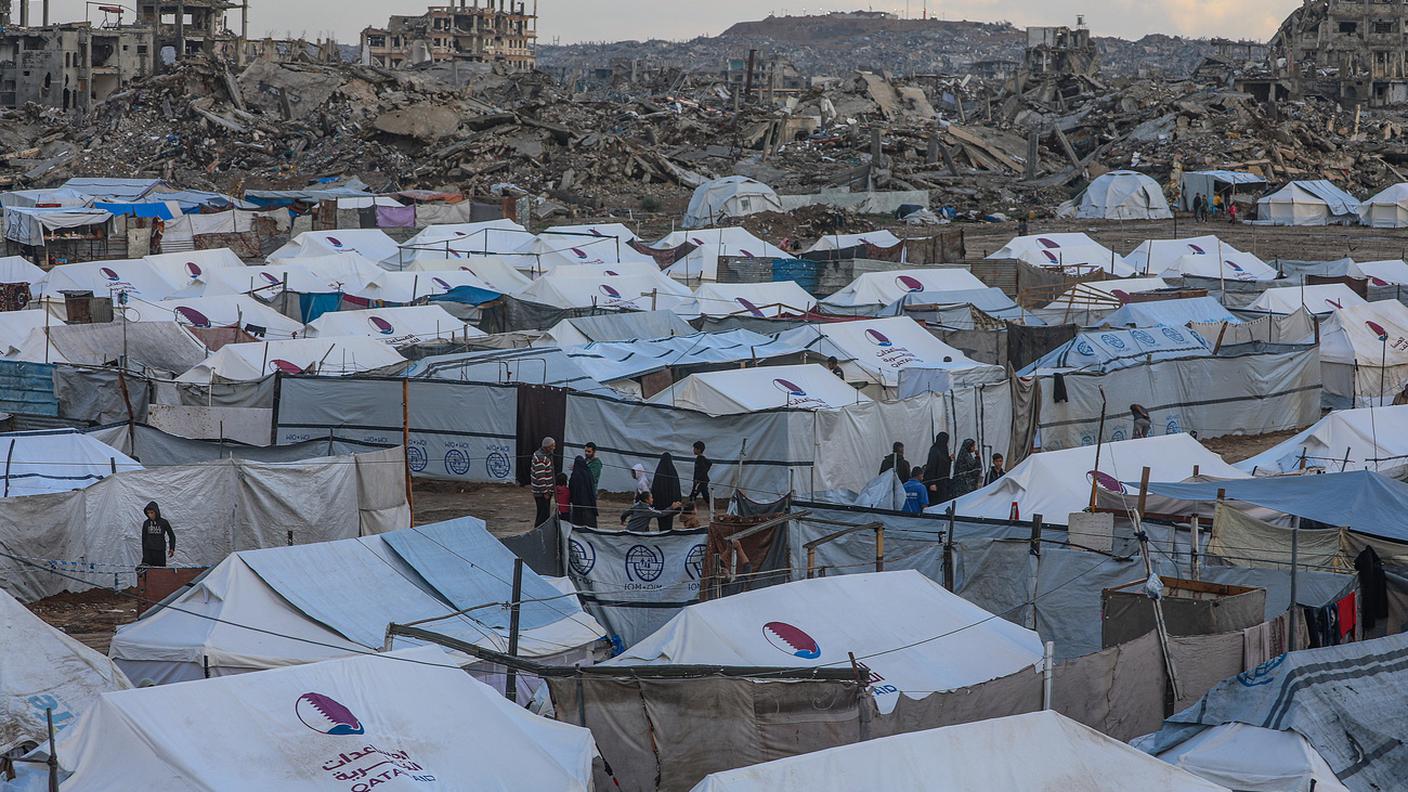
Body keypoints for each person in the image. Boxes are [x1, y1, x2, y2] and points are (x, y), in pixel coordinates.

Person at [651, 453, 683, 531]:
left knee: (661, 522)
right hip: (670, 504)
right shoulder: (673, 473)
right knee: (668, 523)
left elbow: (654, 488)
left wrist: (653, 502)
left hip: (660, 505)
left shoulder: (658, 473)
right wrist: (677, 501)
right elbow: (676, 488)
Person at [530, 437, 557, 527]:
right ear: (547, 447)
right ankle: (538, 532)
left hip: (543, 492)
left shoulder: (544, 456)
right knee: (543, 515)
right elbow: (540, 477)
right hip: (541, 493)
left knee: (542, 513)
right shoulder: (541, 458)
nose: (554, 448)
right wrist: (545, 492)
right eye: (552, 446)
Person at [139, 501, 175, 568]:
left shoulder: (163, 522)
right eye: (148, 513)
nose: (150, 515)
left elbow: (171, 535)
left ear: (156, 512)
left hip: (160, 551)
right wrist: (144, 553)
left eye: (152, 513)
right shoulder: (146, 523)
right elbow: (143, 538)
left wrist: (172, 548)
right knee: (146, 571)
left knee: (160, 572)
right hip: (148, 552)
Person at [567, 455, 598, 527]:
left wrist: (571, 498)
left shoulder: (575, 475)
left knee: (578, 522)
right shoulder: (588, 472)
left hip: (578, 502)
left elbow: (571, 487)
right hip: (589, 501)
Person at [922, 432, 952, 501]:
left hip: (943, 482)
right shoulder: (934, 450)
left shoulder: (944, 449)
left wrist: (949, 459)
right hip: (935, 482)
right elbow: (931, 467)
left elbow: (943, 464)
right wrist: (932, 483)